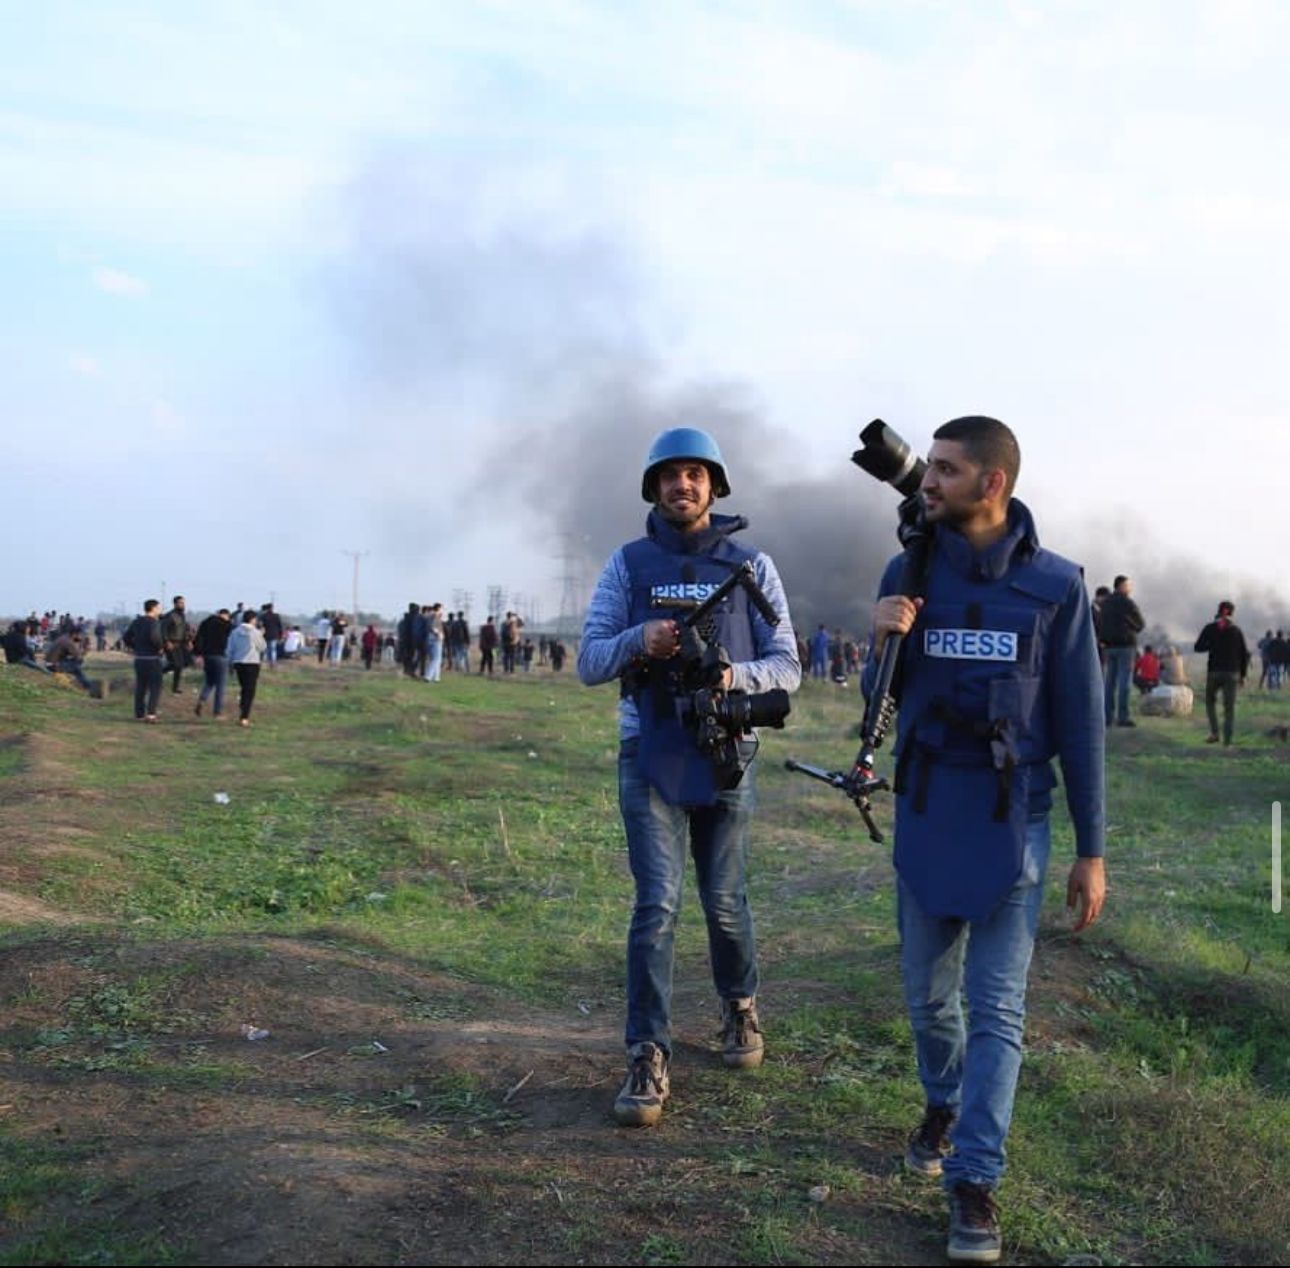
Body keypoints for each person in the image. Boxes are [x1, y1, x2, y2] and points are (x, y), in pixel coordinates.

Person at [863, 415, 1105, 1265]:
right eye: (927, 468)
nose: (926, 482)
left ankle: (975, 1178)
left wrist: (1092, 850)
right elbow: (879, 705)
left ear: (991, 483)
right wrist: (882, 640)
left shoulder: (1057, 586)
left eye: (945, 469)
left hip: (1016, 820)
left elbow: (1082, 726)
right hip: (930, 810)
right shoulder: (908, 570)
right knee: (929, 999)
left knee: (998, 1008)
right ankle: (943, 1100)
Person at [578, 426, 801, 1130]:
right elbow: (589, 661)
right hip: (649, 752)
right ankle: (646, 1052)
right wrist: (638, 641)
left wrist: (732, 676)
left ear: (714, 485)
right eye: (671, 475)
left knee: (725, 901)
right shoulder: (628, 564)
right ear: (654, 487)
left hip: (727, 750)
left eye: (696, 474)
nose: (684, 484)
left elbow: (787, 665)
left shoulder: (752, 565)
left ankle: (740, 1008)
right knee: (658, 905)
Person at [1194, 601, 1250, 746]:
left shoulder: (1210, 628)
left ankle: (1215, 733)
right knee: (1229, 708)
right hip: (1232, 673)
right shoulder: (1236, 631)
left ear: (1219, 611)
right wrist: (1243, 675)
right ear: (1232, 613)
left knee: (1210, 702)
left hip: (1214, 672)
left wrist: (1212, 644)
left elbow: (1197, 647)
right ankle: (1227, 741)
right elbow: (1244, 654)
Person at [1098, 575, 1144, 727]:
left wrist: (1103, 639)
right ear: (1122, 586)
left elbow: (1100, 623)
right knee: (1124, 683)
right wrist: (1130, 625)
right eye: (1128, 585)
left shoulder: (1105, 603)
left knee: (1109, 683)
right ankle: (1123, 717)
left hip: (1109, 647)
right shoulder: (1127, 602)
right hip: (1126, 646)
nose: (1130, 588)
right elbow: (1140, 624)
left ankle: (1107, 717)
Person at [123, 600, 165, 722]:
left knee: (141, 687)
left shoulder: (136, 622)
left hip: (139, 659)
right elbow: (155, 637)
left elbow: (126, 638)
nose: (159, 610)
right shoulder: (154, 623)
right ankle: (151, 714)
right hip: (152, 658)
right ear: (153, 608)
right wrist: (160, 647)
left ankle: (139, 714)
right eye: (158, 608)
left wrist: (135, 647)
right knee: (155, 687)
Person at [225, 610, 267, 726]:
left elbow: (229, 649)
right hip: (252, 662)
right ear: (252, 619)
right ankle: (244, 716)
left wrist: (230, 663)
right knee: (250, 690)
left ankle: (243, 708)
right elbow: (262, 647)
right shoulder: (255, 632)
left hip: (238, 663)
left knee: (244, 688)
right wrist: (262, 634)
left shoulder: (235, 632)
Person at [193, 608, 232, 718]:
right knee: (220, 685)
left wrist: (198, 654)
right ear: (226, 615)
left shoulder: (205, 623)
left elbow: (198, 639)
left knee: (210, 681)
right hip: (220, 655)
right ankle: (217, 712)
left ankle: (202, 700)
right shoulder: (226, 625)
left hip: (207, 656)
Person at [160, 596, 191, 696]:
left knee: (182, 665)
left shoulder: (182, 615)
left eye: (183, 603)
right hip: (171, 644)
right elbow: (163, 629)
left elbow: (184, 630)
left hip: (181, 644)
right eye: (180, 603)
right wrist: (167, 642)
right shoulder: (170, 616)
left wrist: (188, 641)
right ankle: (158, 672)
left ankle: (175, 688)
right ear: (175, 604)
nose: (183, 605)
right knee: (176, 664)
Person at [260, 603, 284, 668]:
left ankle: (265, 662)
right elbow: (280, 626)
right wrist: (281, 635)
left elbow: (261, 625)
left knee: (266, 649)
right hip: (274, 634)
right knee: (273, 649)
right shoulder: (276, 616)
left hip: (265, 634)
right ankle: (272, 662)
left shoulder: (263, 616)